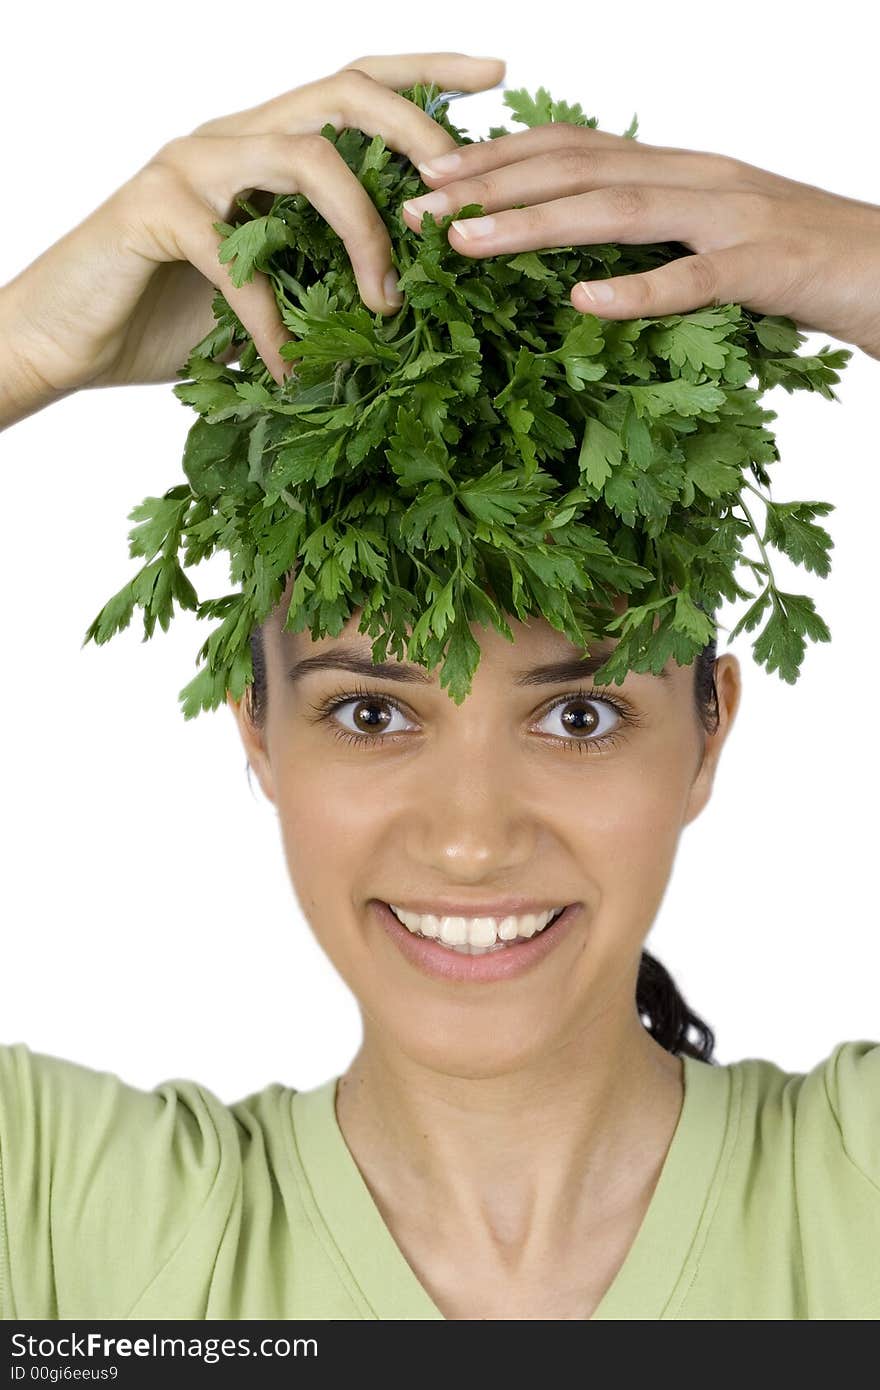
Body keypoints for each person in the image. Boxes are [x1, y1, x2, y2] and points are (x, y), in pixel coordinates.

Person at [0, 50, 878, 1323]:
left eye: (577, 714)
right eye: (371, 711)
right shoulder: (73, 1238)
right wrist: (26, 339)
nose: (472, 840)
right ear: (257, 735)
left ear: (707, 736)